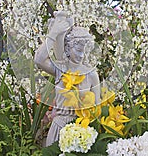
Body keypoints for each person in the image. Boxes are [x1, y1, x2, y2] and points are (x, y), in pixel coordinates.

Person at [34, 11, 100, 146]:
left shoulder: (91, 74)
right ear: (68, 49)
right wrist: (53, 33)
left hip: (82, 130)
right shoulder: (60, 70)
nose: (82, 55)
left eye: (85, 51)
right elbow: (39, 59)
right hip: (59, 128)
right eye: (78, 50)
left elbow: (96, 108)